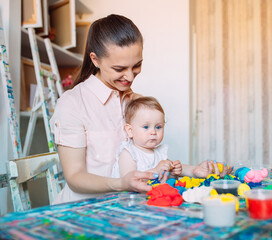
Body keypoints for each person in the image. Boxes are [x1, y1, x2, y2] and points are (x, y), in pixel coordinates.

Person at [50, 14, 232, 204]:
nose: (129, 77)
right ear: (95, 60)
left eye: (137, 65)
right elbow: (75, 178)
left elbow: (149, 158)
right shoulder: (72, 103)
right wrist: (121, 183)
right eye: (119, 69)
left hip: (127, 207)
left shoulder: (135, 102)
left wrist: (193, 170)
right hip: (82, 211)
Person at [111, 96, 182, 182]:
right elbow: (129, 182)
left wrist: (172, 174)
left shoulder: (160, 154)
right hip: (127, 195)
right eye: (146, 127)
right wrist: (155, 171)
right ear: (130, 130)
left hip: (151, 194)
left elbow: (164, 181)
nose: (153, 132)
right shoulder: (128, 153)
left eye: (158, 127)